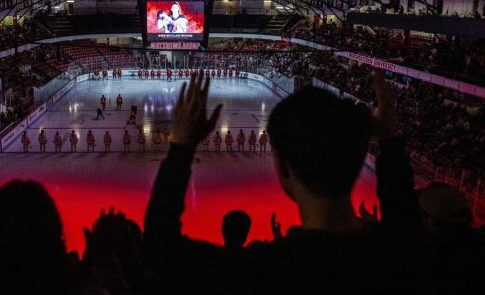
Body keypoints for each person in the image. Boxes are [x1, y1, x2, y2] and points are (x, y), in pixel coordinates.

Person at [142, 72, 424, 293]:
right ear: (359, 154)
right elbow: (402, 208)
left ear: (283, 167)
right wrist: (390, 141)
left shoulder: (265, 270)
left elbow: (161, 250)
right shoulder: (400, 252)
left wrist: (182, 145)